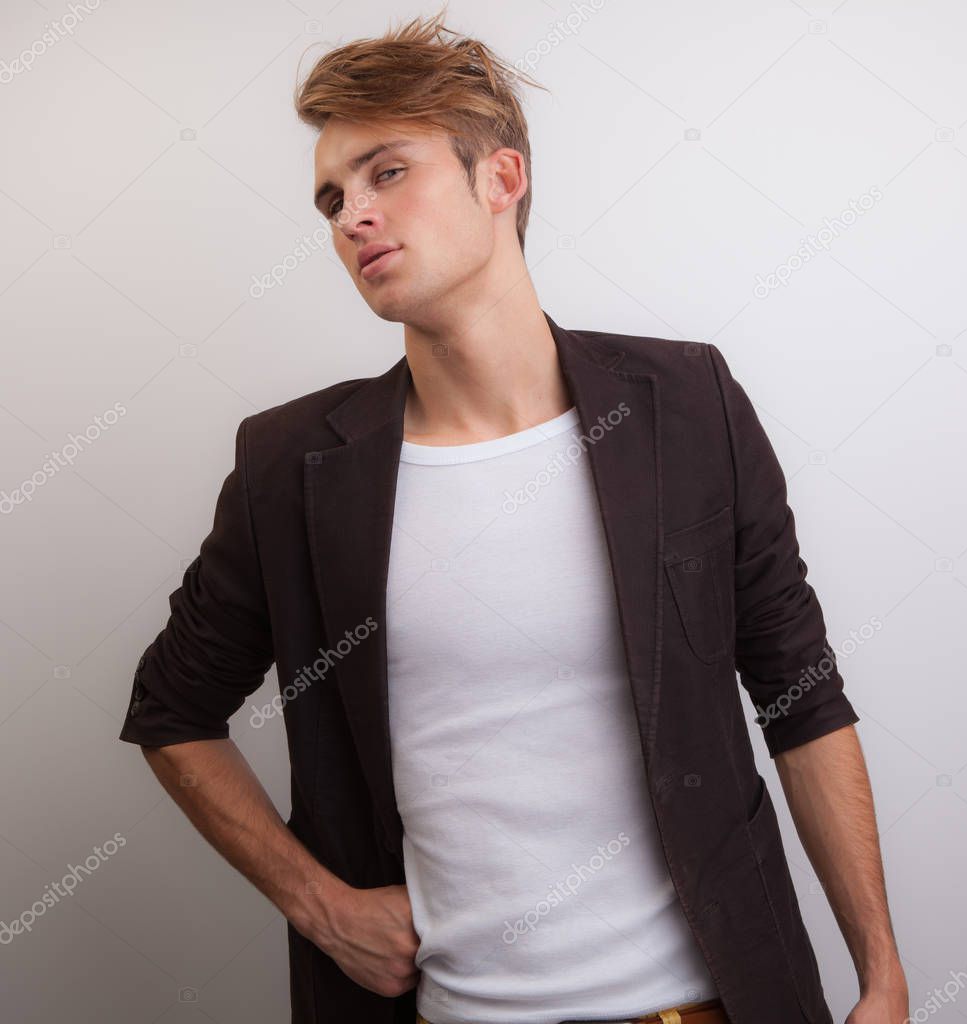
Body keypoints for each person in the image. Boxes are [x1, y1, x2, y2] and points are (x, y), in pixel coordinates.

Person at [118, 9, 910, 1024]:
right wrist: (315, 903)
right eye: (330, 197)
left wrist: (880, 976)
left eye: (385, 172)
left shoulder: (683, 403)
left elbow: (800, 695)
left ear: (501, 179)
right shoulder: (292, 465)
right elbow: (171, 710)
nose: (350, 214)